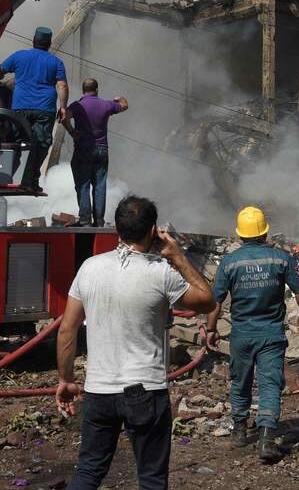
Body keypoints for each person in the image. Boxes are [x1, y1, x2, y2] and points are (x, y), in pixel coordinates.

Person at [56, 195, 215, 490]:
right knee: (152, 479)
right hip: (145, 391)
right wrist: (178, 256)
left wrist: (66, 380)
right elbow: (207, 300)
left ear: (117, 228)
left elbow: (66, 330)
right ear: (153, 231)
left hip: (98, 391)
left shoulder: (89, 268)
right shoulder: (161, 273)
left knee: (89, 472)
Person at [205, 206, 299, 462]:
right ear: (265, 231)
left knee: (240, 382)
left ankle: (240, 432)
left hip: (241, 335)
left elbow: (214, 301)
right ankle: (266, 440)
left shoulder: (230, 262)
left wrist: (211, 329)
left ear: (240, 234)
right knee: (270, 385)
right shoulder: (281, 258)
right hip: (271, 335)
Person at [0, 27, 68, 191]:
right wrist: (63, 107)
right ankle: (32, 179)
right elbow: (62, 85)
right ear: (49, 44)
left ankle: (6, 177)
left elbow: (0, 70)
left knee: (16, 141)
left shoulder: (19, 56)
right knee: (41, 143)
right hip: (45, 109)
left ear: (33, 40)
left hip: (20, 108)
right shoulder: (56, 62)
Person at [63, 78, 128, 227]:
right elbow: (124, 105)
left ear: (83, 90)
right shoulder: (106, 104)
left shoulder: (77, 105)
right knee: (99, 185)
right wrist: (119, 98)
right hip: (102, 149)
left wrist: (72, 131)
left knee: (83, 184)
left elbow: (63, 116)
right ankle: (99, 221)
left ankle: (85, 220)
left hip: (83, 149)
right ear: (97, 90)